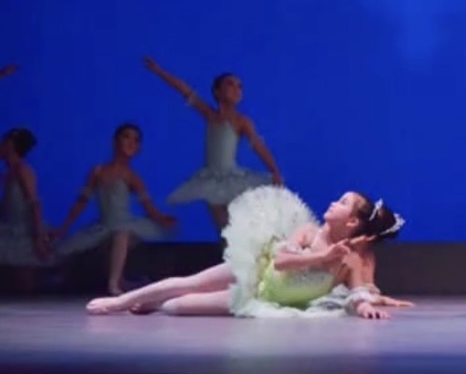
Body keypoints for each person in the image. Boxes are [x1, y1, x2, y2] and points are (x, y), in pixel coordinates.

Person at [84, 186, 410, 318]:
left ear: (352, 221)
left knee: (176, 307)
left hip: (265, 300)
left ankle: (155, 303)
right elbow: (281, 262)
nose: (332, 202)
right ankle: (119, 302)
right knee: (190, 282)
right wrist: (321, 258)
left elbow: (357, 292)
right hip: (257, 271)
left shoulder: (349, 260)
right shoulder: (309, 233)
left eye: (341, 203)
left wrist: (365, 307)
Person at [144, 57, 282, 231]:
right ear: (217, 91)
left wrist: (274, 170)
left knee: (237, 224)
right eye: (230, 84)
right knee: (223, 227)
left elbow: (258, 145)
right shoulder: (210, 114)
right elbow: (184, 89)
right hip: (209, 180)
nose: (236, 89)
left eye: (239, 86)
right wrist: (158, 70)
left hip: (231, 178)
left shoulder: (241, 121)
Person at [50, 123, 176, 295]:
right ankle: (121, 281)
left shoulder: (132, 177)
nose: (131, 142)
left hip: (124, 223)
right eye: (127, 137)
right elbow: (81, 201)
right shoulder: (98, 171)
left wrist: (162, 219)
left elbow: (148, 207)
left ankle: (114, 284)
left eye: (136, 140)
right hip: (104, 225)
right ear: (115, 141)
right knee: (66, 248)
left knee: (121, 233)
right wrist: (63, 227)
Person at [0, 127, 53, 292]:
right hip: (10, 228)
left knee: (24, 280)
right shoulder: (9, 174)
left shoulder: (23, 170)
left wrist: (38, 236)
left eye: (3, 142)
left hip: (23, 232)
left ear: (10, 145)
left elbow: (34, 203)